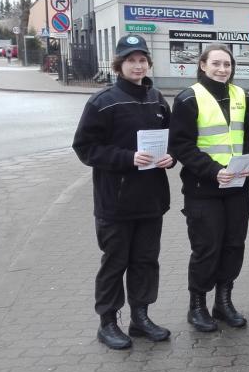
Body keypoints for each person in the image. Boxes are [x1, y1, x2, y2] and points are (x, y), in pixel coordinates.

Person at [72, 34, 173, 350]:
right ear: (119, 65)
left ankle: (140, 318)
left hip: (151, 200)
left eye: (142, 60)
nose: (137, 65)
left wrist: (171, 157)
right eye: (131, 60)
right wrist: (126, 158)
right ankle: (108, 323)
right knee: (115, 263)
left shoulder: (157, 99)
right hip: (115, 202)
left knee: (145, 261)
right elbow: (85, 148)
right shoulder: (103, 102)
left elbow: (170, 141)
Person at [169, 44, 249, 332]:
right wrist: (213, 171)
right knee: (206, 248)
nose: (223, 69)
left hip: (237, 189)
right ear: (202, 65)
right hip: (203, 190)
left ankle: (223, 302)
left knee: (234, 246)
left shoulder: (243, 98)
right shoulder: (188, 99)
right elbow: (181, 146)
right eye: (217, 64)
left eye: (227, 64)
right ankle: (197, 306)